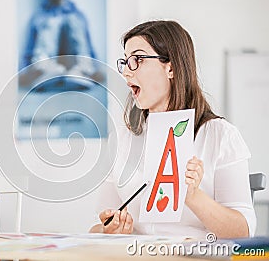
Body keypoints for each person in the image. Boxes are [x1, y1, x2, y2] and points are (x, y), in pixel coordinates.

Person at [90, 20, 256, 239]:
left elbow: (244, 232)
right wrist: (109, 229)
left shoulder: (220, 136)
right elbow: (96, 227)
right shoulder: (122, 139)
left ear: (171, 67)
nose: (126, 73)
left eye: (138, 60)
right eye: (126, 62)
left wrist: (194, 197)